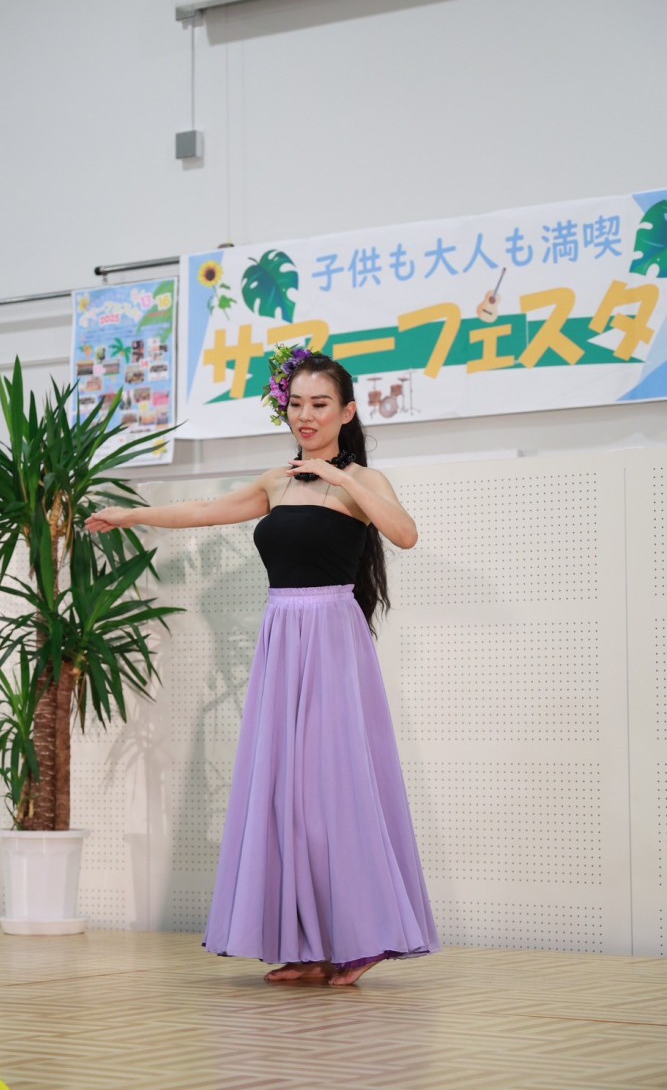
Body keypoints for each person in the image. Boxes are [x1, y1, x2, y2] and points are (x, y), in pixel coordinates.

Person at [86, 348, 439, 986]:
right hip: (282, 638)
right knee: (288, 795)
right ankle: (305, 943)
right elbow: (204, 511)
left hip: (331, 639)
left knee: (334, 791)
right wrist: (130, 515)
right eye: (296, 404)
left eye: (320, 404)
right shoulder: (277, 481)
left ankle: (362, 937)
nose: (306, 415)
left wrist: (344, 481)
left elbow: (405, 534)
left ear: (347, 412)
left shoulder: (364, 481)